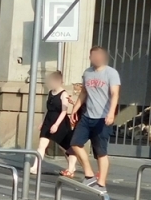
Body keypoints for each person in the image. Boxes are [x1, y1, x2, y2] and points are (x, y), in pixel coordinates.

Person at [70, 45, 121, 190]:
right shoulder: (87, 73)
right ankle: (89, 175)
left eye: (99, 56)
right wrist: (75, 109)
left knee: (100, 152)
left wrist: (111, 113)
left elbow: (115, 94)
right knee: (75, 143)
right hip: (87, 116)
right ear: (91, 57)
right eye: (94, 56)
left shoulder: (111, 73)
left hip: (103, 118)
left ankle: (101, 184)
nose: (96, 59)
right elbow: (84, 93)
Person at [33, 70, 78, 177]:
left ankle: (72, 167)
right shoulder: (50, 93)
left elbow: (64, 111)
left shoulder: (64, 94)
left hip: (61, 122)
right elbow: (47, 109)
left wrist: (56, 125)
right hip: (49, 120)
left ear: (59, 81)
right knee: (41, 145)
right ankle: (35, 166)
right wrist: (43, 122)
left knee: (66, 147)